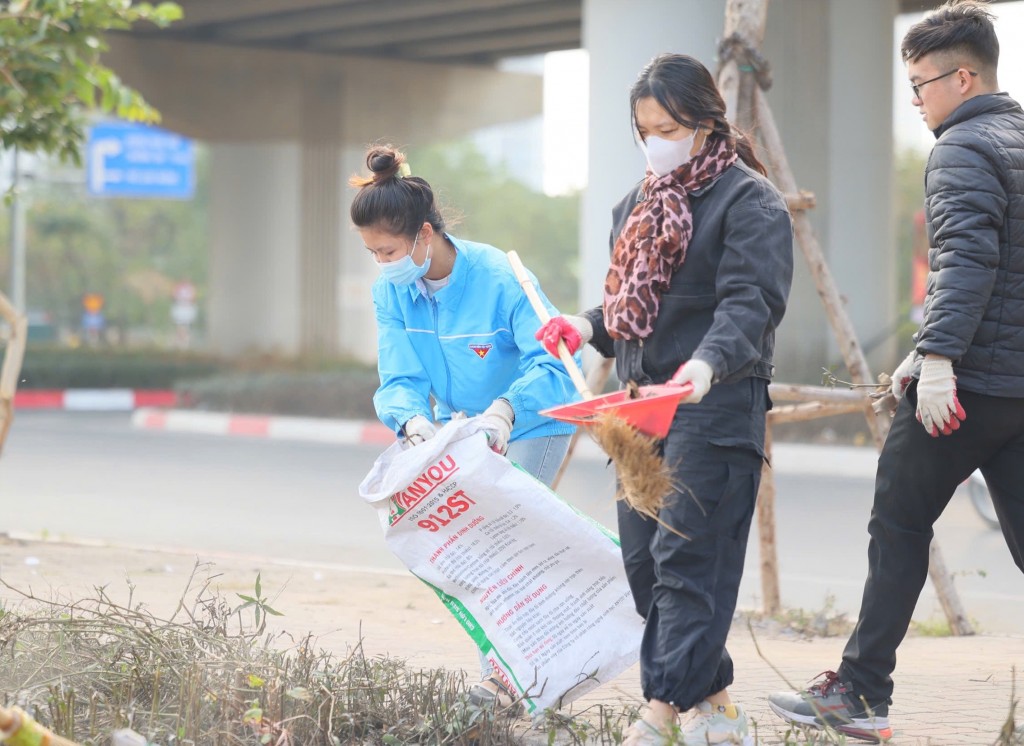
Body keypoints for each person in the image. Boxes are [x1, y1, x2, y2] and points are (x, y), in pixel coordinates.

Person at [768, 1, 1024, 742]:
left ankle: (859, 692)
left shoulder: (964, 148)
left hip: (966, 388)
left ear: (964, 75)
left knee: (900, 522)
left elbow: (966, 264)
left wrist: (938, 358)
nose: (914, 101)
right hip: (1018, 387)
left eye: (921, 84)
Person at [536, 53, 793, 745]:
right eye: (645, 127)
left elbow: (751, 304)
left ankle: (658, 714)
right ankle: (717, 707)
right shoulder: (639, 202)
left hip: (713, 408)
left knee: (688, 559)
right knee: (647, 565)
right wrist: (584, 325)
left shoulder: (750, 202)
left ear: (708, 123)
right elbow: (631, 308)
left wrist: (706, 366)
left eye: (671, 126)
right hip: (639, 414)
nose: (657, 139)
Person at [349, 143, 579, 710]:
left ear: (424, 234)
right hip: (459, 432)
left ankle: (502, 682)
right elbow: (398, 376)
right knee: (472, 550)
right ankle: (515, 674)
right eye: (373, 253)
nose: (383, 263)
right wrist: (413, 426)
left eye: (389, 250)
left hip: (532, 422)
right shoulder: (392, 290)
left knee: (504, 541)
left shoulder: (500, 275)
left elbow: (553, 362)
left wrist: (505, 412)